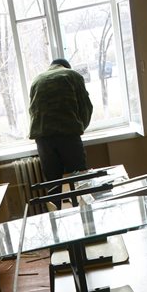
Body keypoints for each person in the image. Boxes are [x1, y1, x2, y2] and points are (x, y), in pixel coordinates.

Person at [29, 58, 93, 205]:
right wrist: (80, 127)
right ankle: (84, 215)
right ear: (66, 66)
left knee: (53, 184)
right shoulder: (72, 75)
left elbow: (33, 111)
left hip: (43, 140)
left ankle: (56, 215)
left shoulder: (37, 80)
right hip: (68, 136)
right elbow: (86, 108)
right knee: (79, 182)